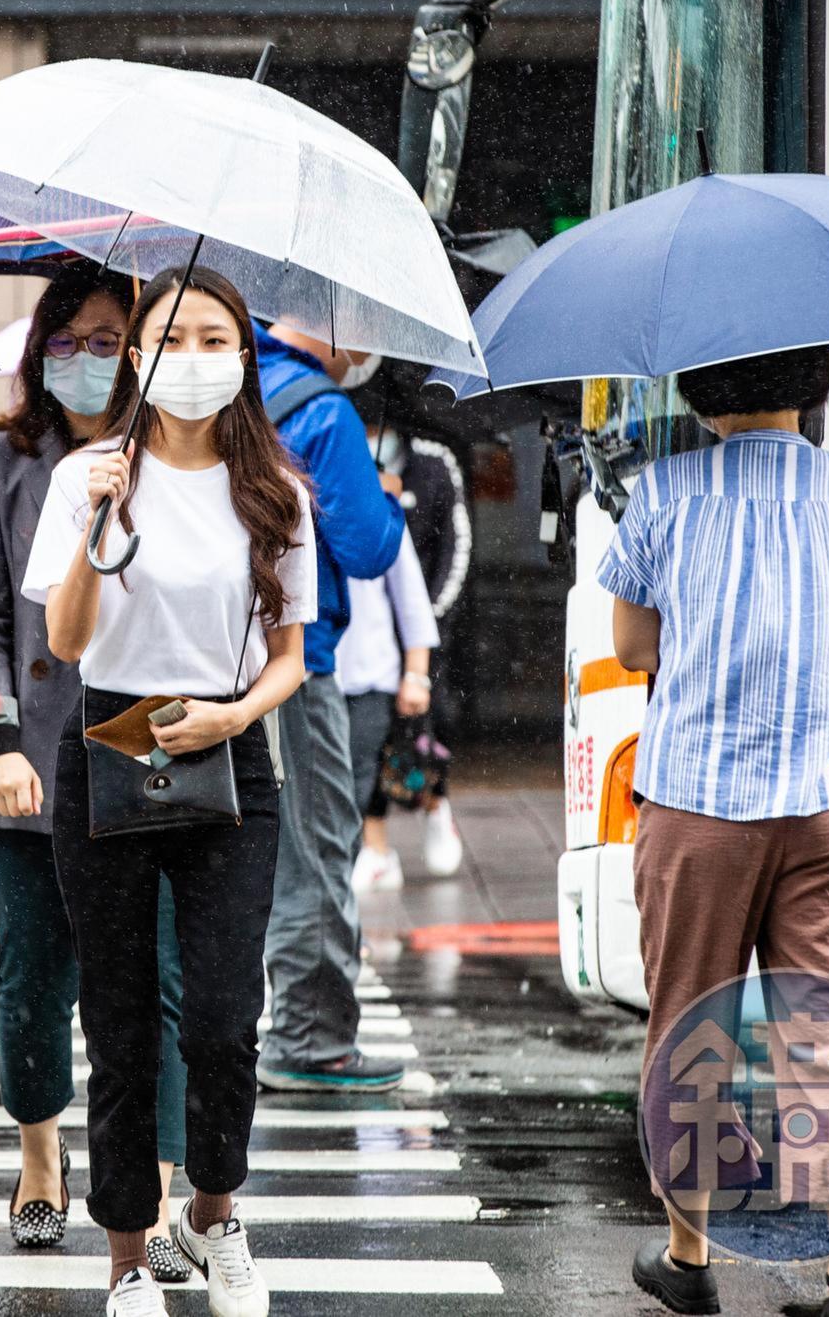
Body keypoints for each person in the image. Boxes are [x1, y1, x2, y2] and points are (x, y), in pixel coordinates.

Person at [600, 347, 829, 1317]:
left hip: (696, 803)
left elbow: (631, 645)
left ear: (702, 389)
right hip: (828, 804)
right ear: (814, 385)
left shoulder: (662, 494)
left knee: (691, 1023)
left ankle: (689, 1257)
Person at [24, 266, 315, 1317]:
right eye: (172, 339)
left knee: (225, 1014)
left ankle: (214, 1214)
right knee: (118, 1017)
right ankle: (127, 1258)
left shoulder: (273, 489)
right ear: (138, 357)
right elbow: (63, 643)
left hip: (228, 753)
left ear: (242, 356)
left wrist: (234, 717)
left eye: (213, 339)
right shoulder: (86, 476)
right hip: (109, 742)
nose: (192, 359)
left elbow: (290, 659)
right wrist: (97, 527)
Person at [0, 264, 193, 1279]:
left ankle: (158, 1189)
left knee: (157, 978)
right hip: (28, 762)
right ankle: (39, 1157)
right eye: (65, 339)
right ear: (38, 350)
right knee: (33, 974)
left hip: (148, 748)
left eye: (105, 341)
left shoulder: (176, 454)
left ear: (135, 353)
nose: (84, 359)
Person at [251, 328, 409, 1094]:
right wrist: (389, 502)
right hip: (297, 658)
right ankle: (309, 1038)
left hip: (214, 657)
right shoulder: (322, 410)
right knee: (315, 846)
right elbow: (366, 545)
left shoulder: (234, 380)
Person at [351, 361, 472, 876]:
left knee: (428, 720)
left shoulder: (433, 461)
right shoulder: (342, 460)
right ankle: (374, 843)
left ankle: (435, 803)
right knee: (368, 736)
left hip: (430, 623)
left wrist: (430, 618)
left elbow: (456, 547)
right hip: (365, 631)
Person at [338, 540, 440, 892]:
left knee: (356, 781)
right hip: (303, 675)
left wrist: (416, 674)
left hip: (367, 672)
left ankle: (352, 869)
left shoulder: (377, 510)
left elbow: (410, 594)